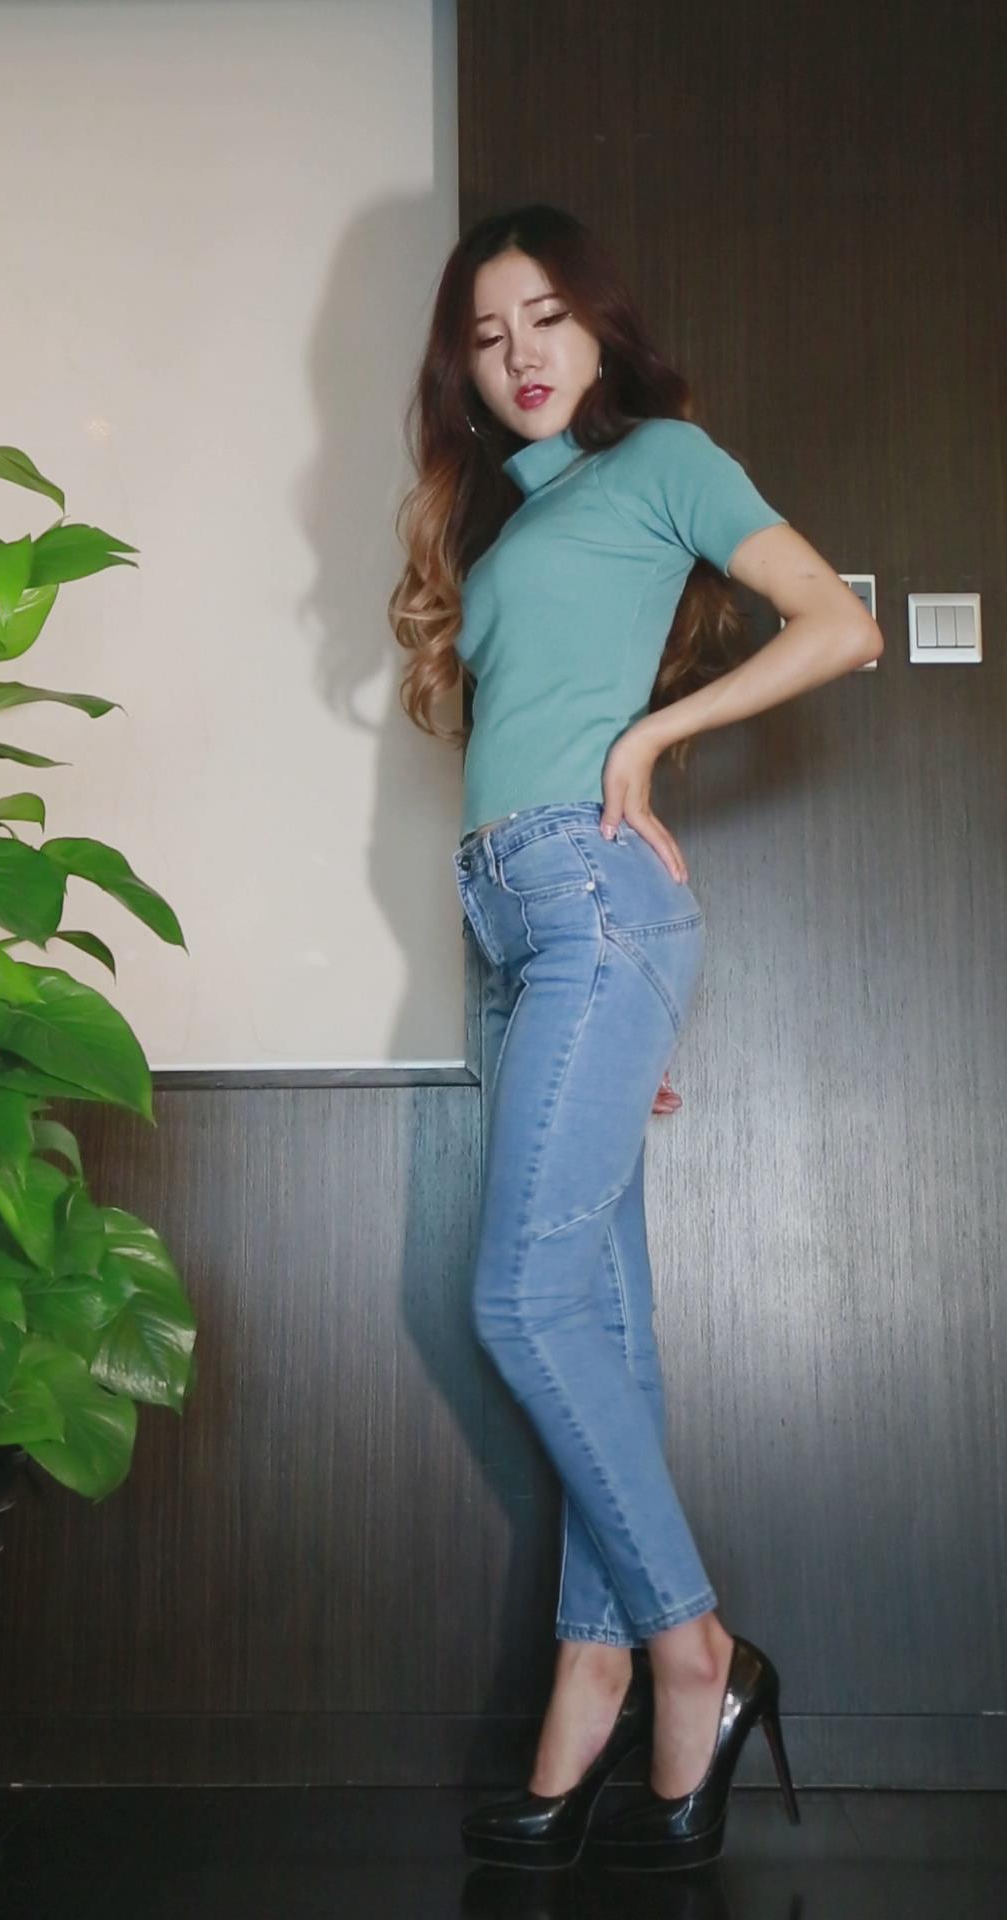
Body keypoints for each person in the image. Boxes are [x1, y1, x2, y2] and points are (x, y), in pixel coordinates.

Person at [388, 204, 882, 1873]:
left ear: (599, 325)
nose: (519, 355)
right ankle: (593, 1674)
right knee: (601, 1318)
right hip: (526, 935)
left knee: (517, 1301)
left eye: (545, 317)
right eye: (486, 335)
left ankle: (690, 1647)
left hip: (593, 903)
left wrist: (653, 741)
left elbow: (840, 626)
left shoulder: (664, 459)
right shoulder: (512, 515)